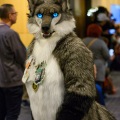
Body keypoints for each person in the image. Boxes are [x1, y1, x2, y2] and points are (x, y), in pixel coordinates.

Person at [0, 4, 26, 120]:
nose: (16, 16)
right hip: (12, 81)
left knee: (1, 113)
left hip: (0, 81)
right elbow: (21, 57)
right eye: (15, 13)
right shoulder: (11, 34)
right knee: (12, 114)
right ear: (10, 15)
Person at [83, 24, 110, 100]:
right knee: (98, 86)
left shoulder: (82, 41)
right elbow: (107, 56)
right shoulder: (101, 42)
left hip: (85, 65)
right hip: (99, 67)